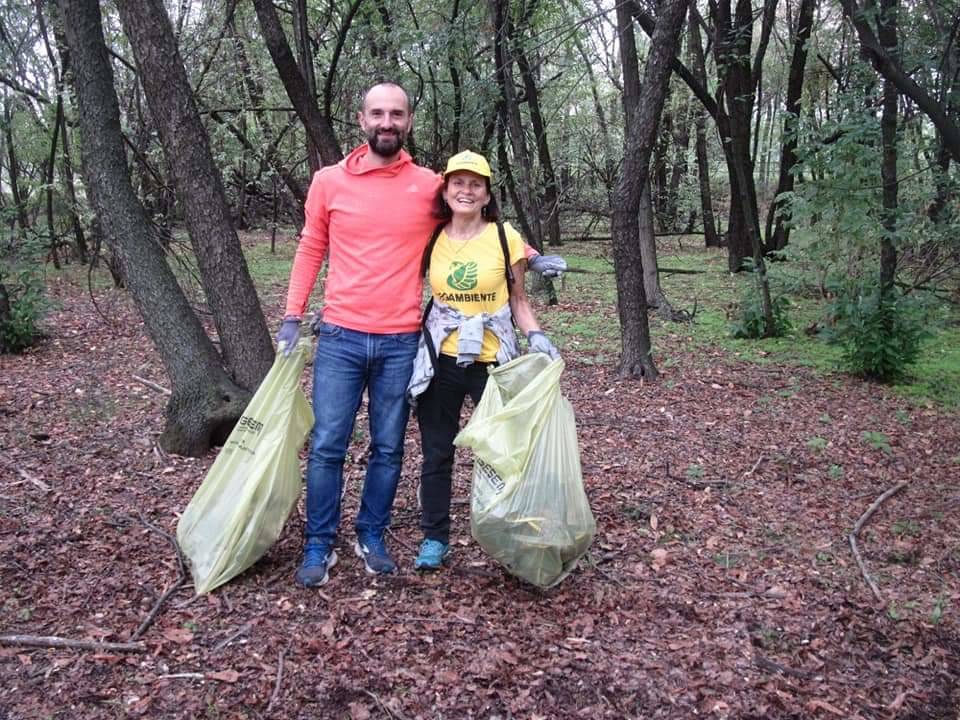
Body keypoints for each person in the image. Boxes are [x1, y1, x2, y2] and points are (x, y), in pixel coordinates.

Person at [276, 82, 564, 588]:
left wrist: (535, 257)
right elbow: (309, 247)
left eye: (397, 114)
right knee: (326, 444)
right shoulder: (328, 181)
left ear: (408, 121)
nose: (387, 122)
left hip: (401, 340)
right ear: (362, 119)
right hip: (341, 335)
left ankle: (372, 535)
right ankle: (319, 542)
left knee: (388, 447)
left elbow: (478, 216)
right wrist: (291, 315)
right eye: (378, 113)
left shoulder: (428, 184)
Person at [406, 150, 560, 571]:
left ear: (488, 193)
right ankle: (434, 538)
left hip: (493, 364)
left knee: (503, 452)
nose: (466, 191)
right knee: (437, 452)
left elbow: (519, 300)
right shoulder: (431, 235)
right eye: (458, 182)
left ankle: (511, 533)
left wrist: (537, 335)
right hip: (441, 361)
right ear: (446, 189)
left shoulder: (503, 237)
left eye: (476, 184)